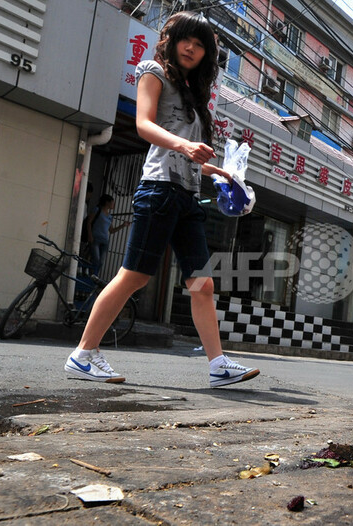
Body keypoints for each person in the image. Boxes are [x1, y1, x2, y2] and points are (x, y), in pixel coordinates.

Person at [64, 11, 259, 388]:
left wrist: (218, 172)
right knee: (134, 275)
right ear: (171, 39)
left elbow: (184, 156)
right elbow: (144, 125)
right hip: (158, 190)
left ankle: (217, 365)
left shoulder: (194, 94)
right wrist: (185, 143)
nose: (191, 47)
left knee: (202, 284)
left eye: (200, 44)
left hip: (186, 196)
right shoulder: (153, 70)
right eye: (186, 39)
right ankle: (83, 355)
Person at [85, 194, 131, 275]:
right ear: (107, 202)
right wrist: (90, 235)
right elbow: (89, 223)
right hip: (95, 238)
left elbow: (112, 230)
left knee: (101, 261)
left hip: (105, 240)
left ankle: (93, 276)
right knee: (96, 259)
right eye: (112, 202)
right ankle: (91, 276)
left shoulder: (110, 216)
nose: (113, 205)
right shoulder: (97, 210)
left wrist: (123, 225)